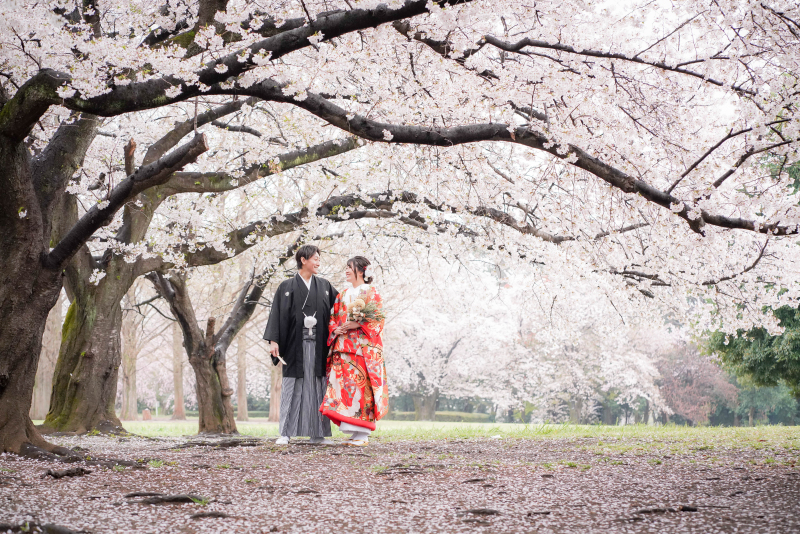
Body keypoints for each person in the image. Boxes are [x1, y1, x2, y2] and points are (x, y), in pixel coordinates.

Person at [263, 245, 338, 445]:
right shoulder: (286, 287)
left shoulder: (324, 286)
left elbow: (340, 307)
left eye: (319, 258)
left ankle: (318, 433)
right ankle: (285, 433)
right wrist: (273, 341)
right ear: (303, 260)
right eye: (315, 258)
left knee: (317, 386)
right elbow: (276, 315)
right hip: (294, 345)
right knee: (291, 387)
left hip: (319, 345)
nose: (318, 262)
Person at [320, 256, 389, 446]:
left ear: (361, 270)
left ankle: (363, 434)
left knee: (361, 389)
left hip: (361, 350)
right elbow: (333, 317)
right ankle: (354, 432)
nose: (347, 271)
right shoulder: (342, 294)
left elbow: (377, 321)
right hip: (342, 347)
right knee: (344, 389)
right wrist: (337, 329)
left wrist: (357, 323)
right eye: (347, 268)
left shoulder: (370, 292)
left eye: (350, 267)